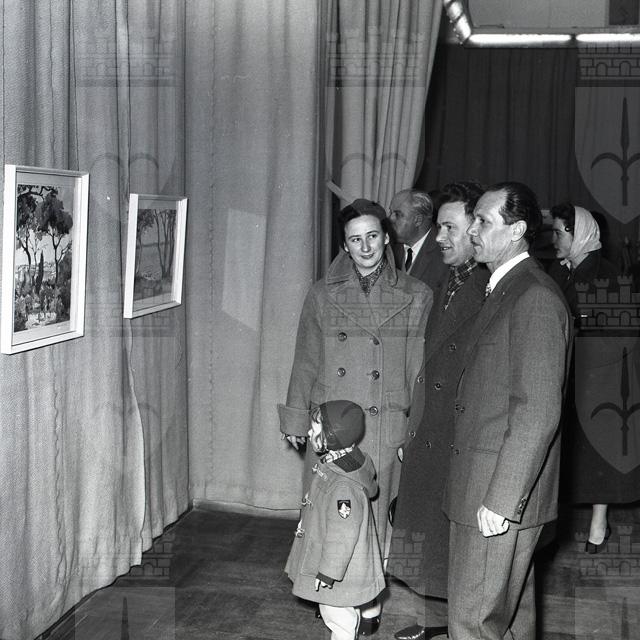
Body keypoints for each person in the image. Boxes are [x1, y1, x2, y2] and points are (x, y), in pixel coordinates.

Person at [279, 198, 432, 634]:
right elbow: (306, 359)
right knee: (328, 513)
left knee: (373, 516)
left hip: (383, 424)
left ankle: (366, 600)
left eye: (372, 236)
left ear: (386, 238)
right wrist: (296, 419)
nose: (365, 247)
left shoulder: (417, 295)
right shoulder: (322, 294)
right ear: (344, 245)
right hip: (331, 424)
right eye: (355, 239)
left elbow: (419, 371)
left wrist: (414, 431)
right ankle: (331, 592)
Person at [444, 182, 572, 640]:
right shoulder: (507, 288)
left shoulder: (533, 297)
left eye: (483, 221)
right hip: (489, 484)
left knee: (472, 622)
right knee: (507, 621)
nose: (471, 230)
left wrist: (501, 500)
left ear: (517, 230)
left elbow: (537, 410)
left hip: (496, 492)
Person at [387, 181, 489, 640]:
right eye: (441, 227)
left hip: (459, 430)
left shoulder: (488, 286)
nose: (441, 237)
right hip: (431, 424)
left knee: (452, 538)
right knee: (428, 533)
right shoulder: (448, 277)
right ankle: (434, 621)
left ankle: (455, 625)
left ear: (476, 229)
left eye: (451, 228)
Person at [547, 203, 636, 553]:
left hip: (599, 379)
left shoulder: (608, 276)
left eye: (559, 233)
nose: (554, 240)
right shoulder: (558, 271)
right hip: (563, 373)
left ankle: (599, 522)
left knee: (598, 457)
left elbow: (622, 337)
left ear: (579, 234)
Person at [285, 400, 385, 640]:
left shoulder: (343, 486)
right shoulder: (339, 462)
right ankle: (360, 619)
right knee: (347, 607)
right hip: (345, 563)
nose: (309, 432)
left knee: (337, 616)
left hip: (339, 568)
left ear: (332, 436)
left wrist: (328, 572)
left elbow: (342, 535)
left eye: (315, 429)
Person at [388, 189, 449, 296]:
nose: (390, 218)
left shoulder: (445, 253)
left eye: (397, 214)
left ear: (418, 220)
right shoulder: (389, 248)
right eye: (390, 212)